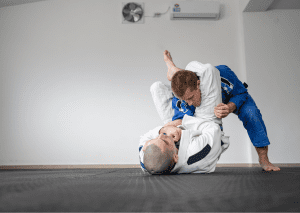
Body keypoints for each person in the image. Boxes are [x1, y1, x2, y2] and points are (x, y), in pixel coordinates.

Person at [163, 50, 280, 172]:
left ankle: (264, 159)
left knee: (251, 114)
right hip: (198, 100)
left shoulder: (223, 73)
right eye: (186, 100)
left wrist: (230, 107)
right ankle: (174, 71)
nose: (190, 103)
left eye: (191, 97)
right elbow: (183, 121)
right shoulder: (182, 98)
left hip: (232, 97)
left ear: (198, 84)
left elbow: (241, 92)